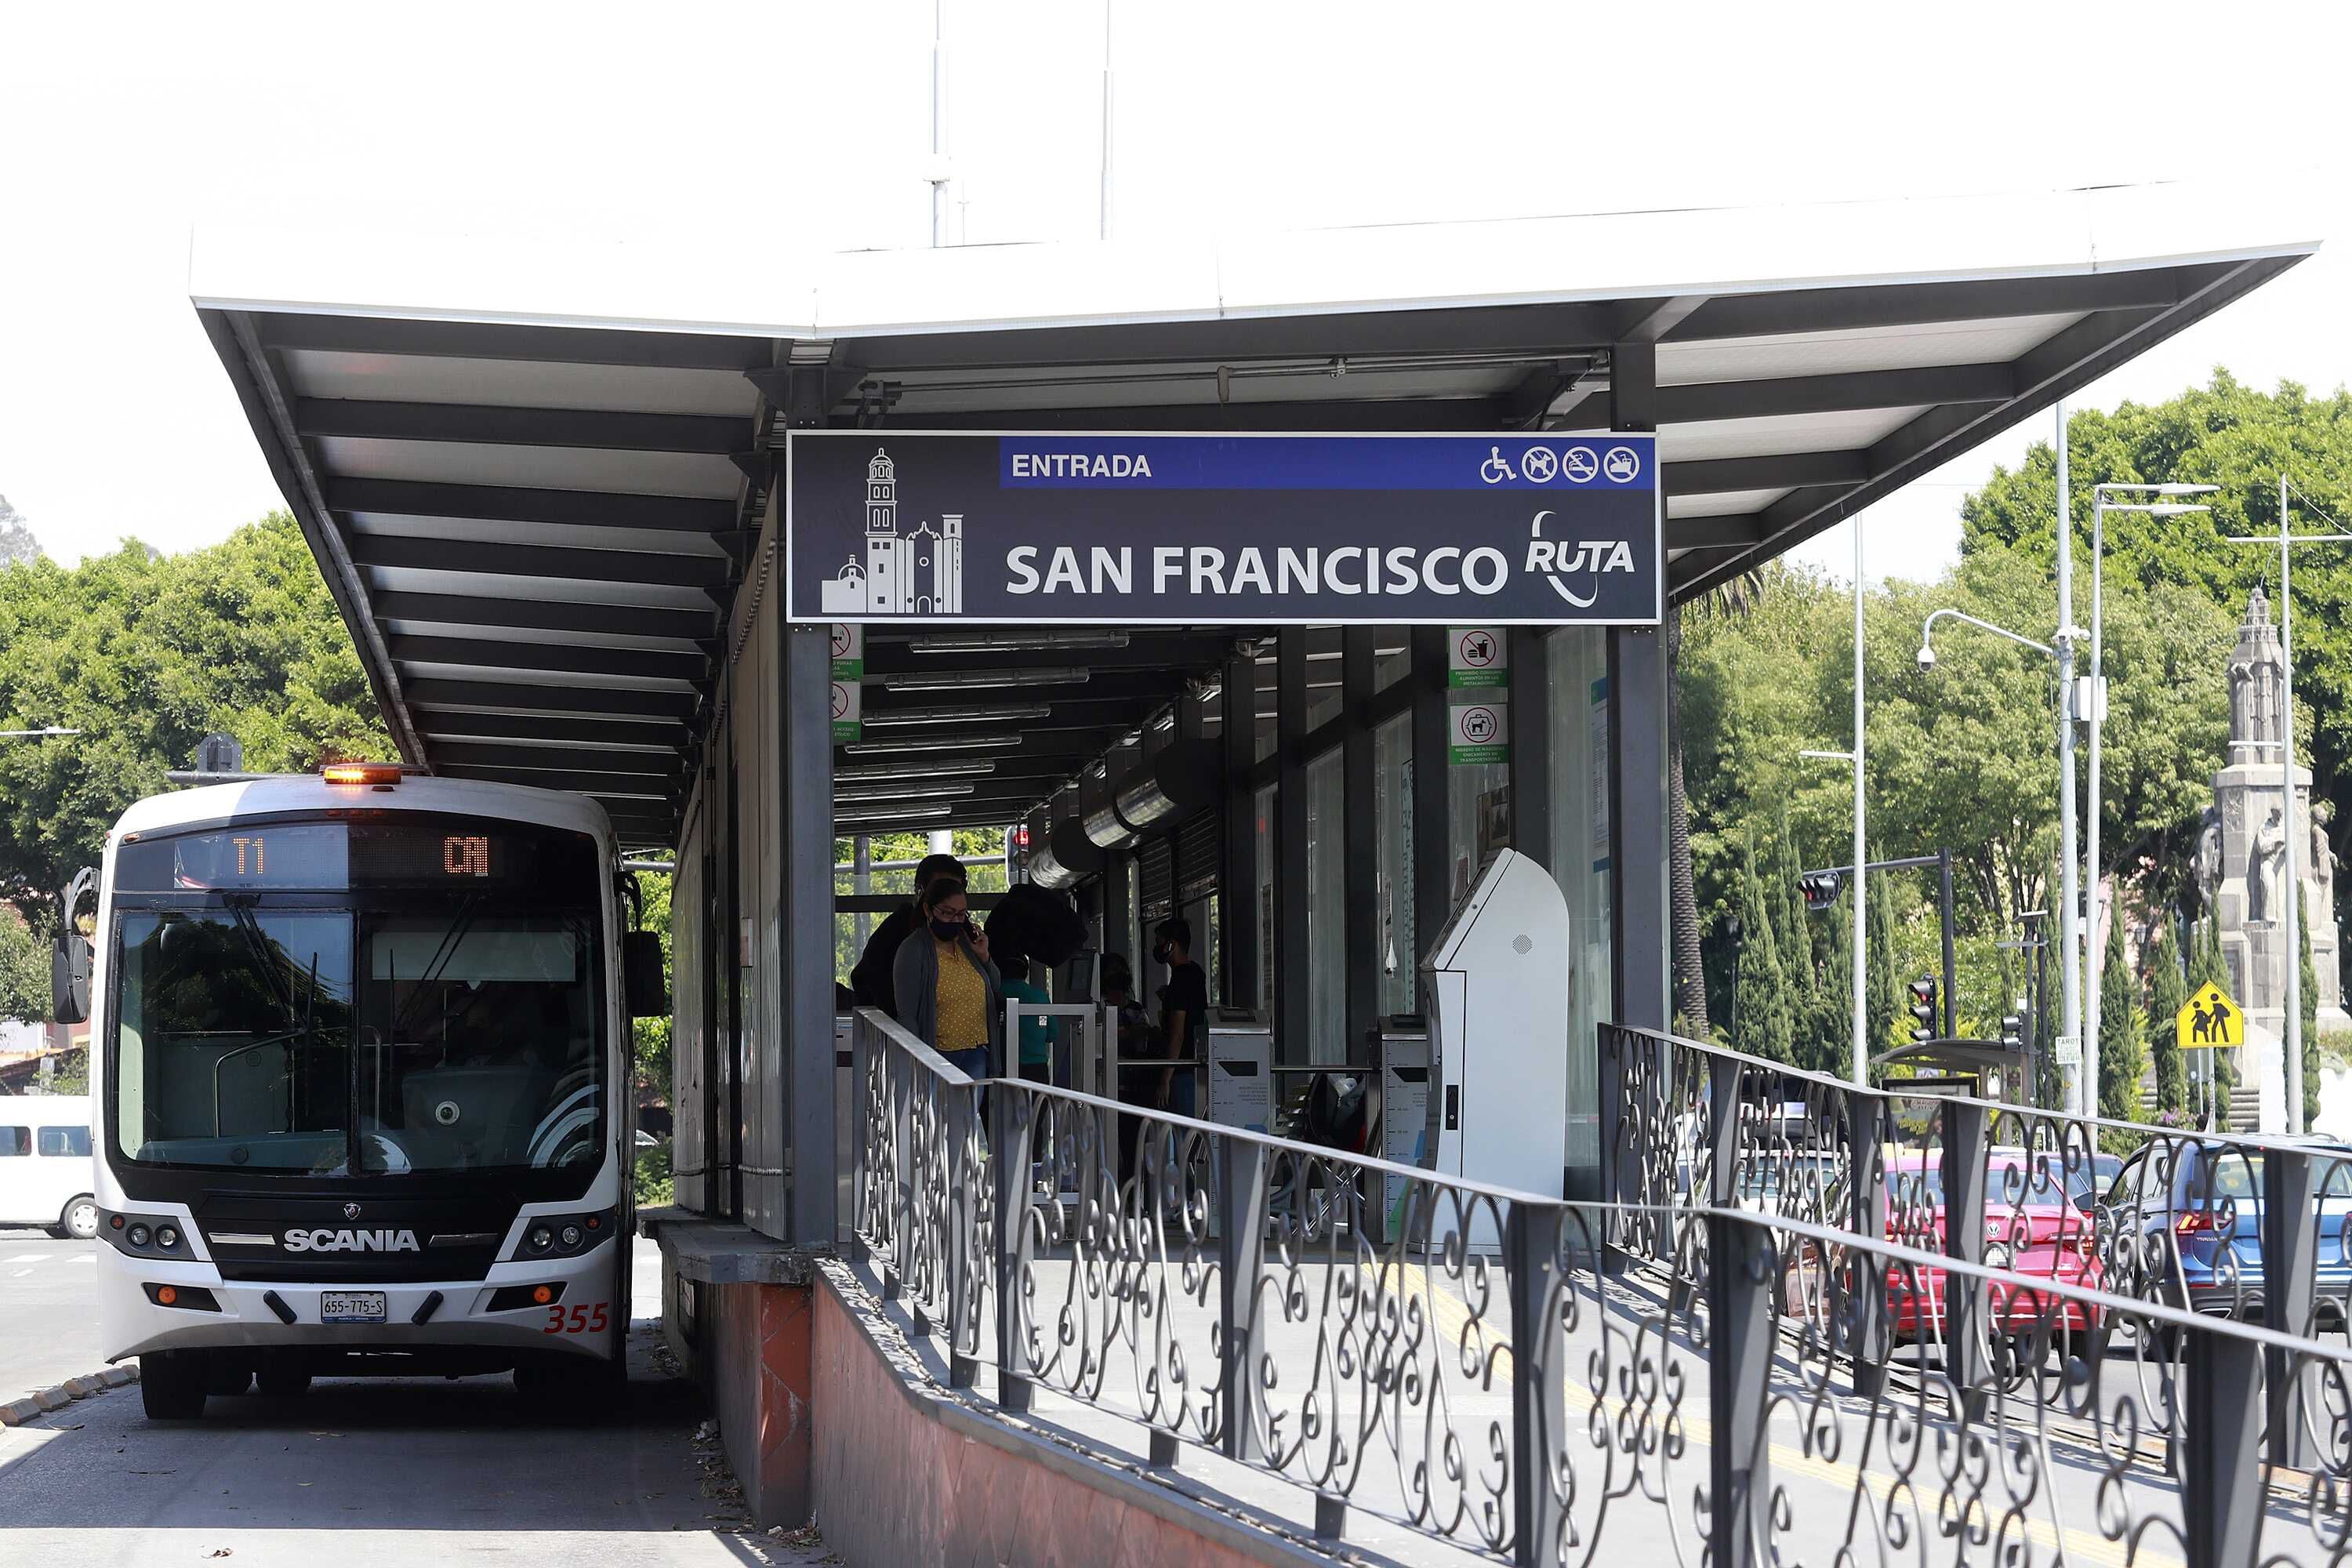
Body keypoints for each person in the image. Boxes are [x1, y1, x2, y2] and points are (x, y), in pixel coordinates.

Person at [891, 876, 1001, 1079]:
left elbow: (995, 985)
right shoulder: (913, 950)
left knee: (968, 1111)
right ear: (928, 910)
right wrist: (916, 1062)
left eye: (961, 914)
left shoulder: (968, 944)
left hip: (976, 1050)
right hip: (937, 1054)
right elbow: (907, 1014)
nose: (956, 920)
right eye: (948, 913)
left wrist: (984, 956)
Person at [851, 851, 964, 1017]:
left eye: (957, 890)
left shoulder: (965, 935)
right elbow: (867, 977)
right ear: (920, 892)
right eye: (941, 891)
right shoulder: (900, 930)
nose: (950, 899)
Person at [1151, 917, 1209, 1118]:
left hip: (1181, 1072)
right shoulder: (1195, 973)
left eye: (1159, 942)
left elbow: (1178, 1034)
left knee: (1181, 1137)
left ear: (1171, 944)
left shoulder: (1180, 980)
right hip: (1194, 1068)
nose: (1157, 947)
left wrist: (1165, 1079)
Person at [993, 936, 1054, 1083]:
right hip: (1036, 1067)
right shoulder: (1040, 996)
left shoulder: (993, 993)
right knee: (1037, 1107)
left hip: (1001, 1065)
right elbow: (1052, 1034)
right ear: (1025, 972)